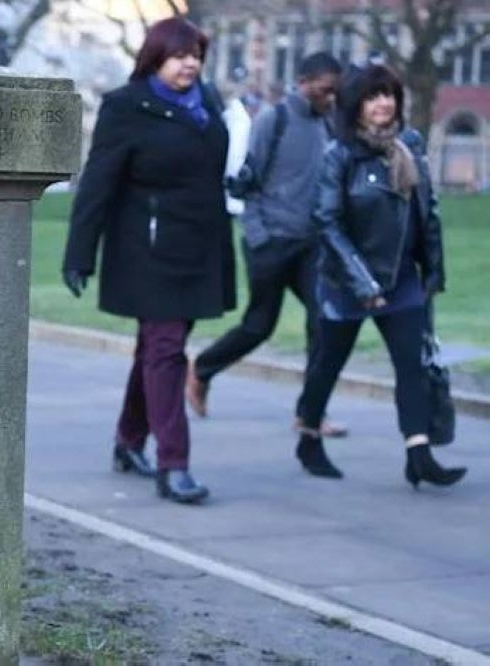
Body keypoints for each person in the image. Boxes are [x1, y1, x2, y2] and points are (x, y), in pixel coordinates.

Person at [61, 17, 235, 504]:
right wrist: (80, 253)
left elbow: (213, 165)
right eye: (180, 55)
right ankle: (173, 463)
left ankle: (128, 440)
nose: (190, 64)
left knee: (154, 349)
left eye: (196, 55)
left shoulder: (208, 102)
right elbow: (98, 183)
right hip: (148, 250)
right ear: (155, 58)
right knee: (167, 349)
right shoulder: (125, 107)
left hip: (198, 245)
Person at [293, 64, 465, 488]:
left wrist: (433, 272)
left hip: (402, 278)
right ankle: (309, 435)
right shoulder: (340, 157)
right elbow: (327, 223)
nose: (384, 103)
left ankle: (418, 454)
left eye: (389, 94)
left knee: (412, 367)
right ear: (355, 106)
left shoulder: (410, 146)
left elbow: (429, 212)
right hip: (346, 282)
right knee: (327, 366)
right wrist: (363, 284)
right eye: (373, 96)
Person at [186, 52, 348, 438]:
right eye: (326, 90)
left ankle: (310, 414)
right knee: (260, 325)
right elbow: (246, 182)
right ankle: (202, 368)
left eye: (335, 92)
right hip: (270, 242)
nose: (331, 98)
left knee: (324, 320)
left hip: (311, 245)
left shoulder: (328, 123)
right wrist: (259, 237)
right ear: (305, 81)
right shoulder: (273, 120)